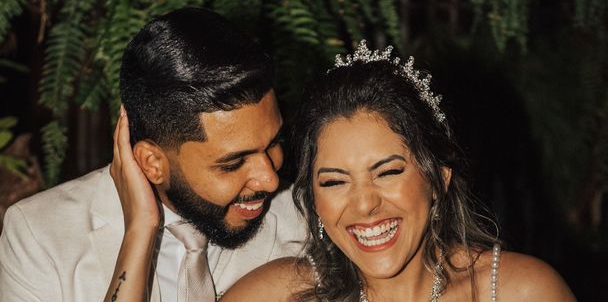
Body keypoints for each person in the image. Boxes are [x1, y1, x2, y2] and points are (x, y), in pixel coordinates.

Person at [103, 40, 577, 301]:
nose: (364, 204)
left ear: (439, 177)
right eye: (334, 181)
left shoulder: (520, 290)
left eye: (387, 172)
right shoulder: (278, 296)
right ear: (311, 197)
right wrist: (142, 229)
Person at [0, 7, 307, 302]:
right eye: (233, 163)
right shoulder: (39, 234)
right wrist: (140, 229)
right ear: (152, 162)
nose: (269, 179)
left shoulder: (309, 214)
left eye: (272, 143)